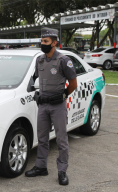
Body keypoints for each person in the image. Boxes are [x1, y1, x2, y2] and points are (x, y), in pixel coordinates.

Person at [25, 27, 77, 186]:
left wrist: (61, 95)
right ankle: (41, 167)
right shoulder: (39, 60)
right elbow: (36, 79)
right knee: (42, 138)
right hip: (43, 106)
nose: (43, 44)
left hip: (58, 105)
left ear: (54, 43)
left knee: (61, 139)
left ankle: (62, 171)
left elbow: (73, 84)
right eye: (41, 41)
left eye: (46, 42)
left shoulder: (63, 60)